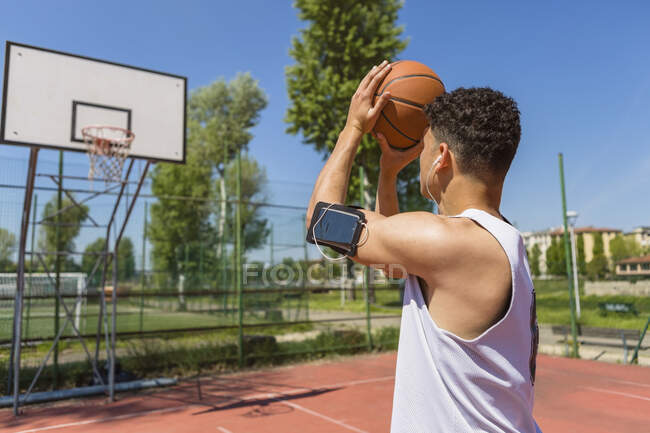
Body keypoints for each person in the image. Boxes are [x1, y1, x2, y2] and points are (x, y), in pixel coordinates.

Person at [306, 60, 541, 432]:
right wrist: (388, 173)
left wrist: (352, 127)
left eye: (424, 146)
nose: (420, 156)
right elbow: (391, 261)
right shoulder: (500, 240)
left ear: (442, 157)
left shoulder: (452, 243)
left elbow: (323, 223)